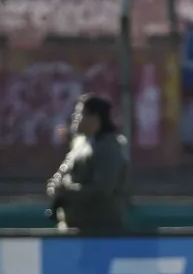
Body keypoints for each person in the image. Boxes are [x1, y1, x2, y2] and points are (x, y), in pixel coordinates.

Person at [46, 94, 131, 233]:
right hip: (73, 229)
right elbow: (64, 170)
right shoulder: (80, 142)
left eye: (80, 113)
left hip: (100, 232)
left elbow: (102, 190)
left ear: (95, 118)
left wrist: (66, 192)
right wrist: (55, 184)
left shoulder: (108, 148)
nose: (75, 117)